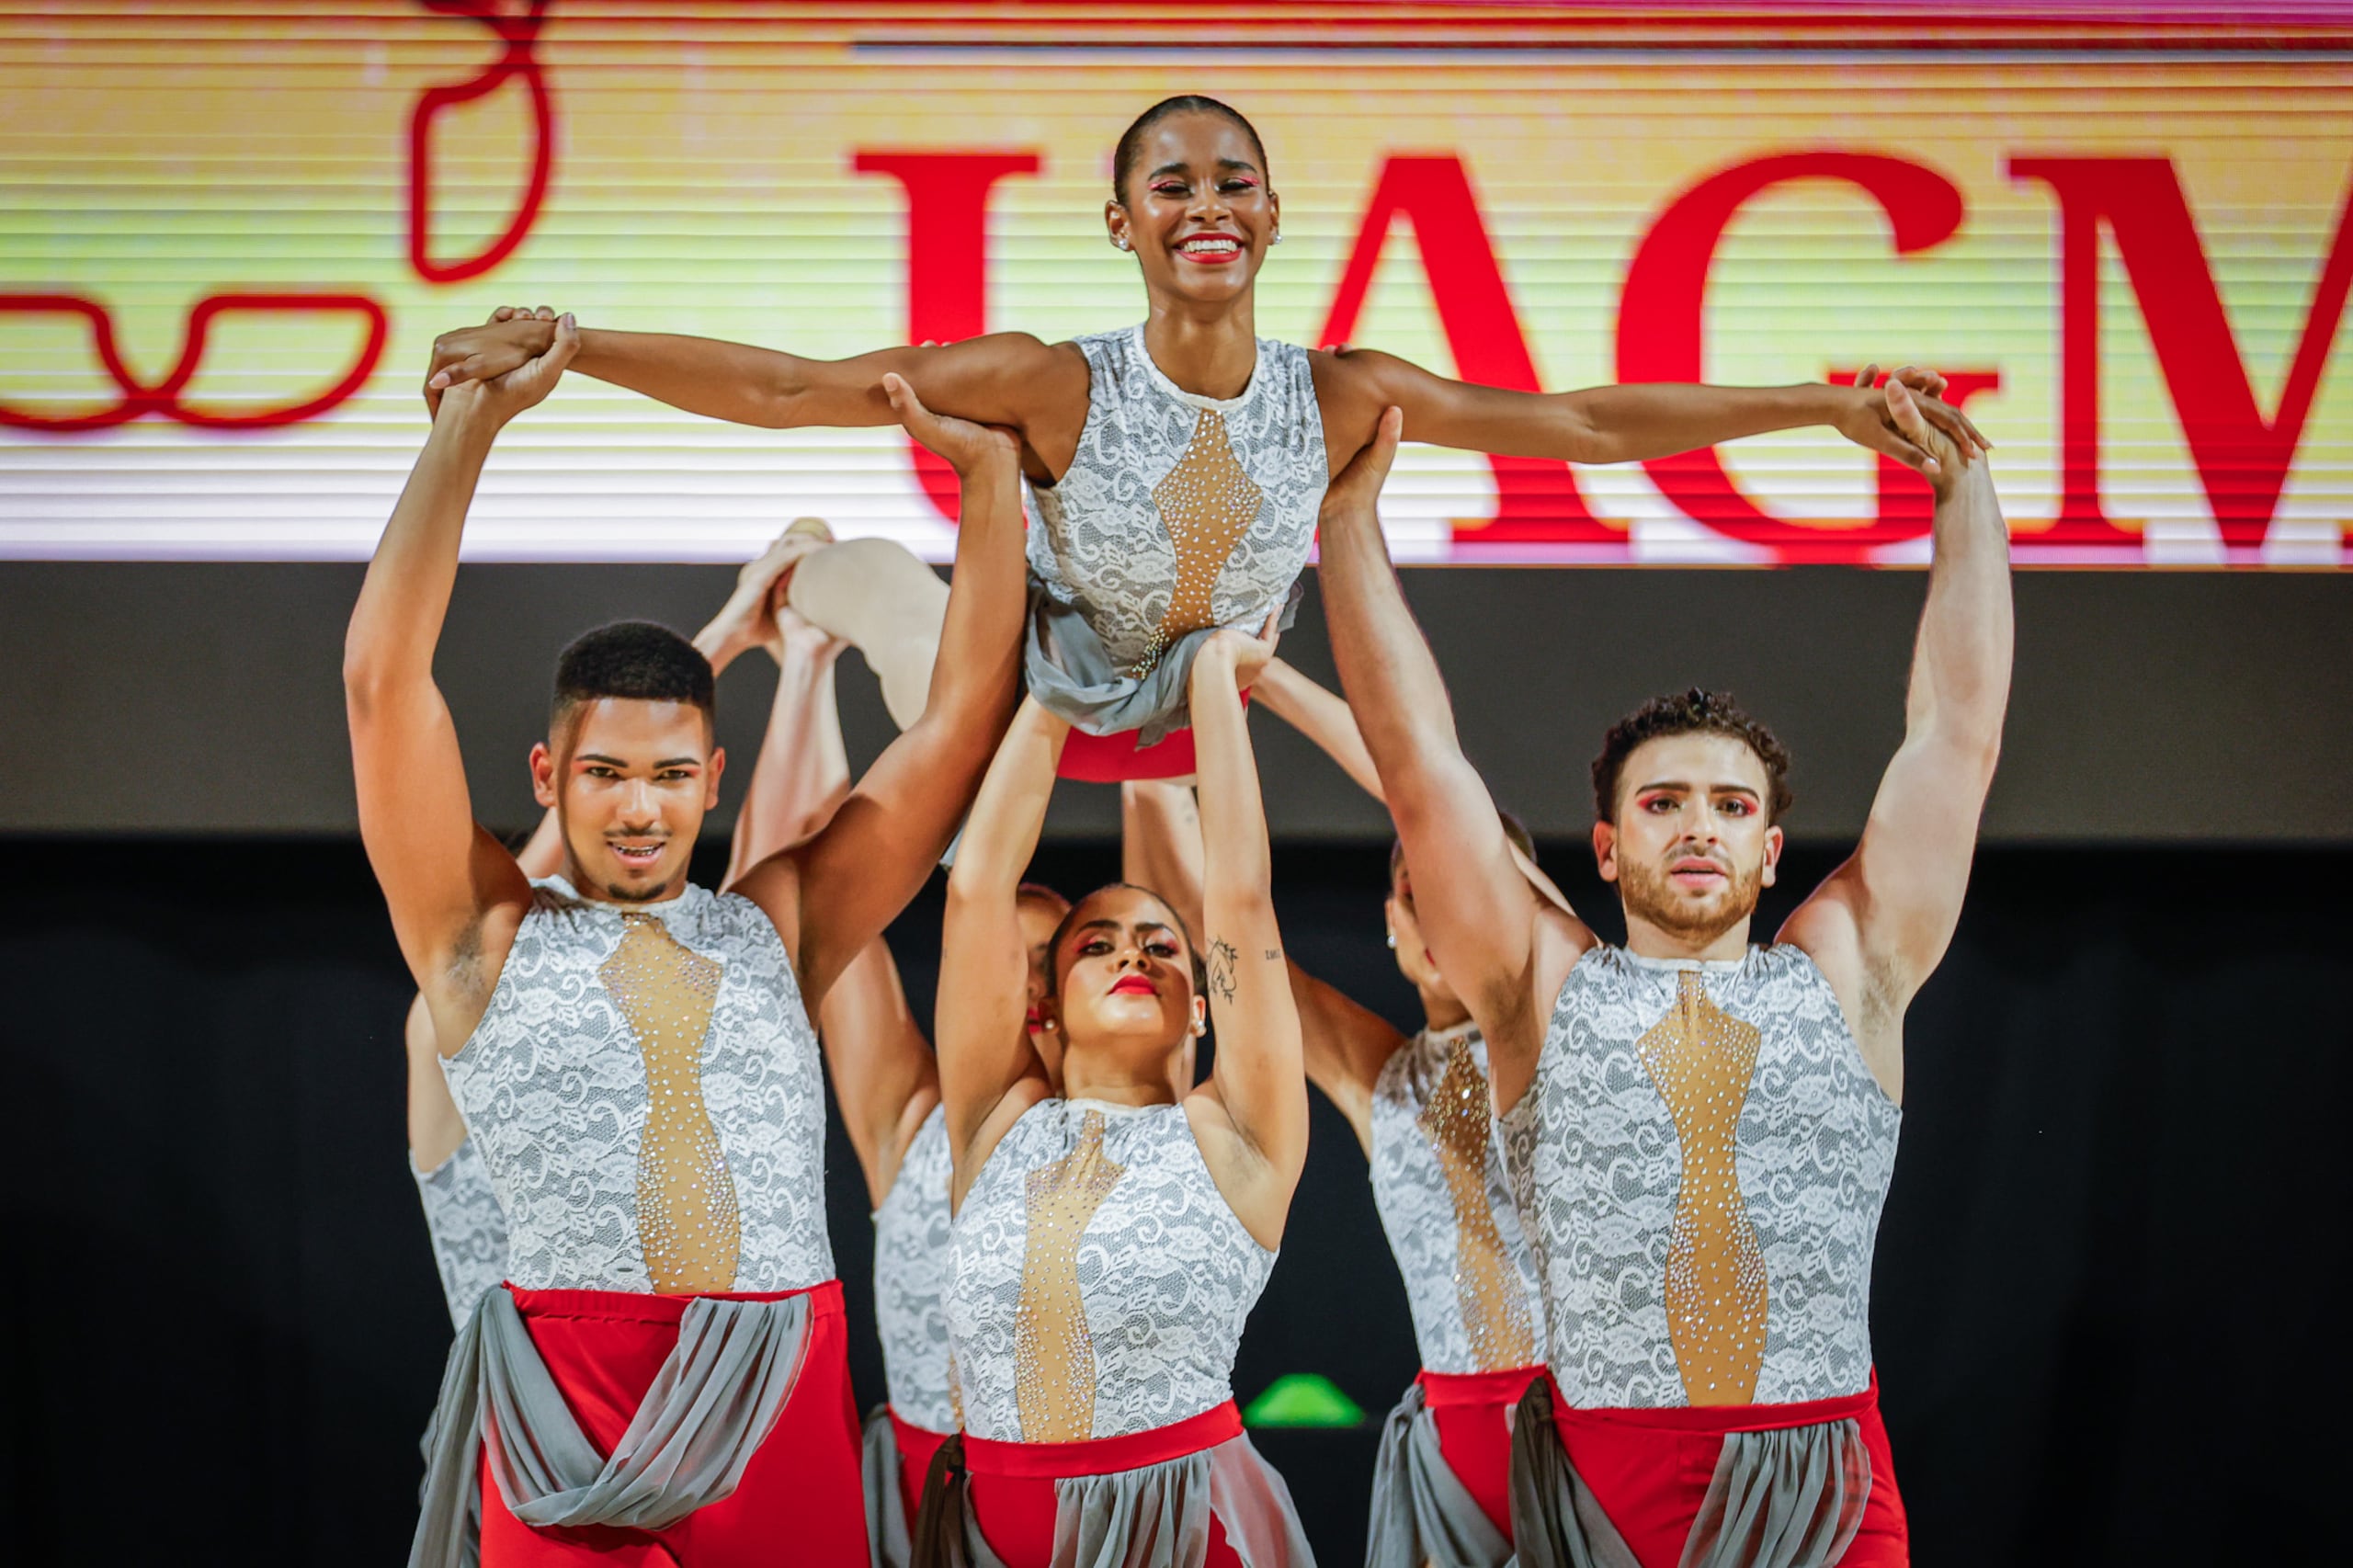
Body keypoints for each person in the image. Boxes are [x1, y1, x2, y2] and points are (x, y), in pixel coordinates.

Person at [419, 97, 1986, 782]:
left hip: (1202, 722)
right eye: (1171, 185)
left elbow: (1579, 422)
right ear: (1123, 222)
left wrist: (1825, 404)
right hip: (1023, 695)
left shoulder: (1344, 389)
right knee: (885, 586)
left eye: (1233, 181)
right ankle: (798, 577)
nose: (1207, 205)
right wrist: (576, 344)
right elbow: (792, 390)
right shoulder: (1049, 381)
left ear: (1275, 213)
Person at [346, 313, 1026, 1567]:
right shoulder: (481, 932)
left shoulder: (778, 923)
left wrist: (988, 483)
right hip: (573, 1409)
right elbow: (386, 684)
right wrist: (469, 428)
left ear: (713, 779)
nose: (639, 807)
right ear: (548, 775)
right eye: (604, 772)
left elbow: (962, 723)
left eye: (668, 775)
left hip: (783, 1386)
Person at [1314, 372, 2009, 1567]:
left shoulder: (1847, 963)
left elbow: (1957, 732)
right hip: (1608, 1488)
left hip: (1826, 1484)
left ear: (1769, 848)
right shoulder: (1542, 985)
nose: (1698, 825)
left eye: (1731, 805)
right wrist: (1345, 523)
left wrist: (1965, 491)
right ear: (1606, 845)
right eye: (1662, 801)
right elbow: (1418, 759)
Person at [918, 632, 1314, 1565]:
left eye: (1161, 945)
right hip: (991, 1533)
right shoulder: (998, 1122)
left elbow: (1240, 900)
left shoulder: (1233, 1134)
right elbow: (976, 890)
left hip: (1186, 1528)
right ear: (1047, 1007)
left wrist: (1212, 678)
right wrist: (1058, 680)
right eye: (1095, 944)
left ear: (1202, 1008)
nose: (1131, 952)